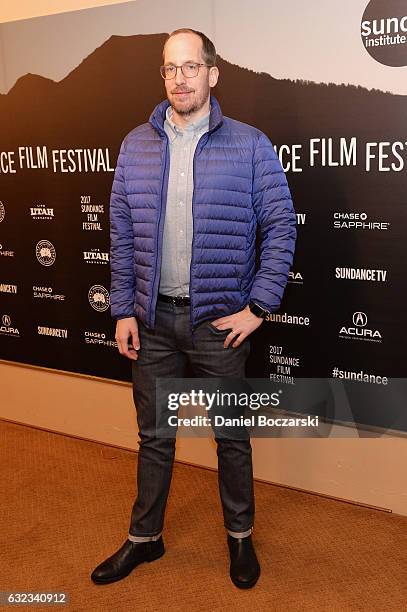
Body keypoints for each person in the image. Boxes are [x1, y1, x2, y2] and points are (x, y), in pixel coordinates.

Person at [91, 27, 296, 590]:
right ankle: (144, 538)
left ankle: (239, 538)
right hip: (152, 320)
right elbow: (123, 231)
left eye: (190, 66)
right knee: (155, 435)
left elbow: (280, 225)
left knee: (230, 436)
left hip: (219, 325)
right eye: (169, 68)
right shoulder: (136, 144)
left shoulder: (250, 144)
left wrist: (260, 306)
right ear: (163, 75)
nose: (179, 78)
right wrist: (123, 309)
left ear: (212, 73)